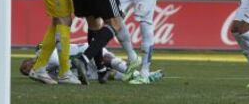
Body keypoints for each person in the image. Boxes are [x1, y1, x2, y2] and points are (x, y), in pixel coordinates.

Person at [20, 43, 164, 83]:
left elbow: (57, 61)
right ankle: (145, 76)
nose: (29, 69)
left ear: (30, 59)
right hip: (85, 73)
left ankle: (141, 75)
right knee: (113, 75)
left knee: (106, 59)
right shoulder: (44, 74)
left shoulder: (42, 51)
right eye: (26, 72)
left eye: (26, 66)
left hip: (84, 52)